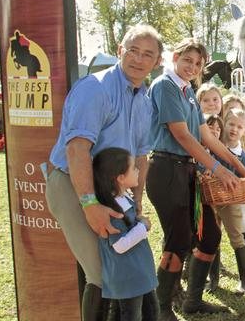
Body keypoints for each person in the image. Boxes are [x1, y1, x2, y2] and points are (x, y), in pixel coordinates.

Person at [47, 24, 163, 321]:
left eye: (147, 54)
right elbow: (77, 151)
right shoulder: (94, 88)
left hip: (114, 193)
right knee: (102, 273)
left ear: (157, 61)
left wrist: (136, 201)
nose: (138, 59)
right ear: (119, 51)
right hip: (74, 185)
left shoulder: (145, 101)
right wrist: (89, 204)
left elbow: (140, 156)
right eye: (133, 50)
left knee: (129, 268)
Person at [146, 38, 245, 320]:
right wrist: (219, 170)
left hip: (189, 172)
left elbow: (205, 136)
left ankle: (192, 301)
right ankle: (162, 307)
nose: (192, 67)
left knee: (209, 236)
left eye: (198, 63)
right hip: (167, 170)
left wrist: (239, 167)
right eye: (187, 60)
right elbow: (182, 136)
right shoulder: (165, 86)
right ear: (175, 57)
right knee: (178, 241)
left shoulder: (188, 90)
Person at [92, 147, 158, 321]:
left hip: (138, 273)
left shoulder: (124, 197)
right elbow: (119, 245)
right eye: (133, 168)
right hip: (128, 277)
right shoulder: (112, 209)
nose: (137, 170)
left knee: (151, 311)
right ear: (120, 178)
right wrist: (142, 226)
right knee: (131, 315)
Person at [206, 108, 245, 294]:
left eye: (240, 127)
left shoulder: (242, 156)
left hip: (230, 201)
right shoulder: (214, 146)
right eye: (231, 124)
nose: (234, 129)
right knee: (213, 237)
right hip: (211, 199)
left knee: (236, 237)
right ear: (223, 124)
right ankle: (213, 279)